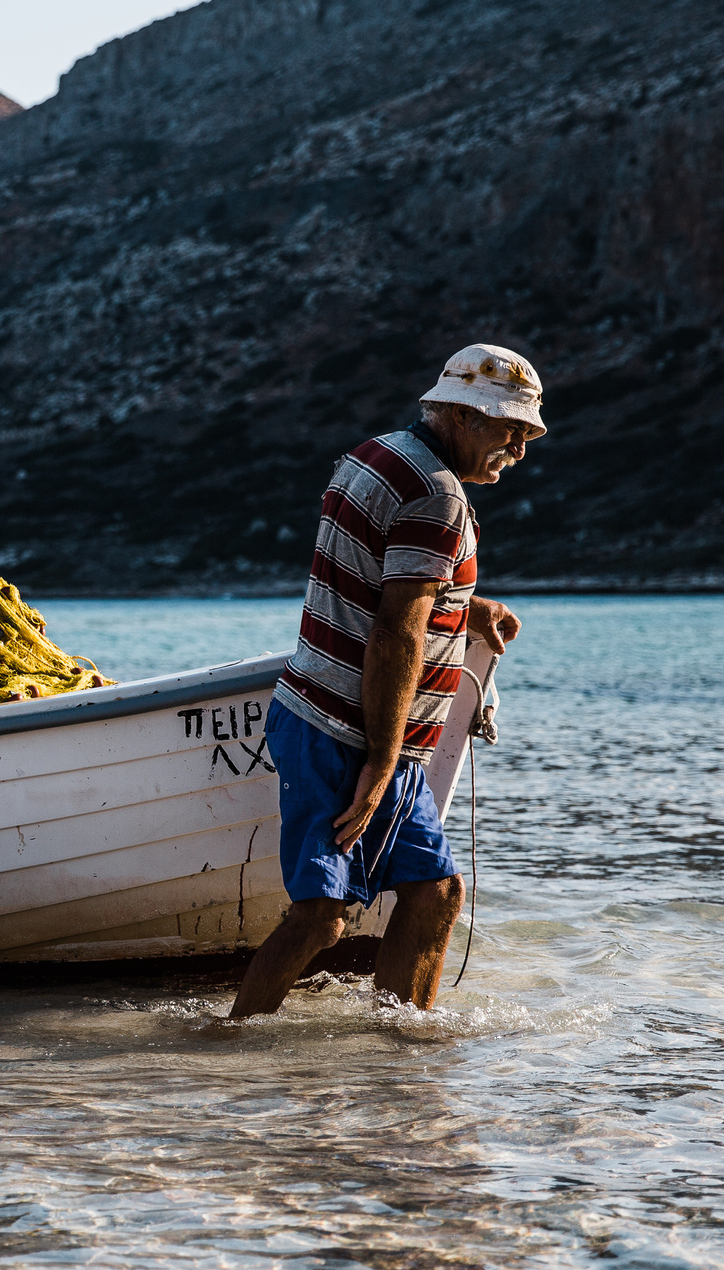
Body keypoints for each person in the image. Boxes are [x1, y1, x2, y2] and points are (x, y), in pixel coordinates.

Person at [229, 343, 547, 1018]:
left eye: (526, 434)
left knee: (436, 894)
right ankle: (228, 1041)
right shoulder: (437, 495)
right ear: (463, 416)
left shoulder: (376, 455)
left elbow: (380, 582)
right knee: (320, 917)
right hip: (344, 735)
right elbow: (395, 630)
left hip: (339, 722)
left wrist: (467, 608)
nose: (518, 451)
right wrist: (378, 762)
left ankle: (401, 1060)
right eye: (510, 430)